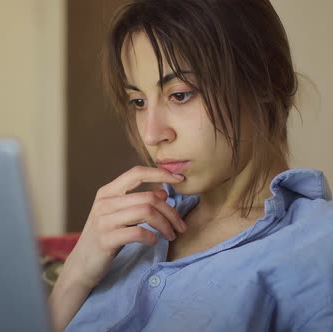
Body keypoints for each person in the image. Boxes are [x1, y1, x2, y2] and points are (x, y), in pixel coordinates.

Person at [48, 0, 333, 331]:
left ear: (267, 81)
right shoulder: (128, 231)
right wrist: (76, 273)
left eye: (180, 94)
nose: (152, 134)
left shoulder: (317, 246)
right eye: (138, 102)